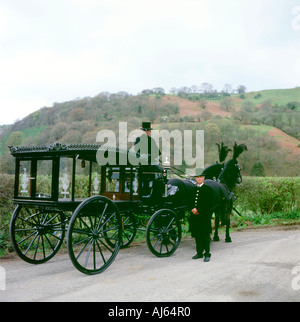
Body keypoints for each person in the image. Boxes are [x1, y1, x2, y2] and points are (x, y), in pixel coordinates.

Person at [189, 169, 215, 262]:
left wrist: (198, 209)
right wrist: (191, 209)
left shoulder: (208, 189)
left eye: (200, 177)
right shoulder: (192, 189)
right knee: (197, 235)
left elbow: (209, 203)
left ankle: (207, 254)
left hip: (204, 216)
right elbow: (189, 201)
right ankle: (199, 253)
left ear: (203, 178)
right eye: (197, 177)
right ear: (196, 179)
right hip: (195, 217)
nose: (199, 179)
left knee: (205, 235)